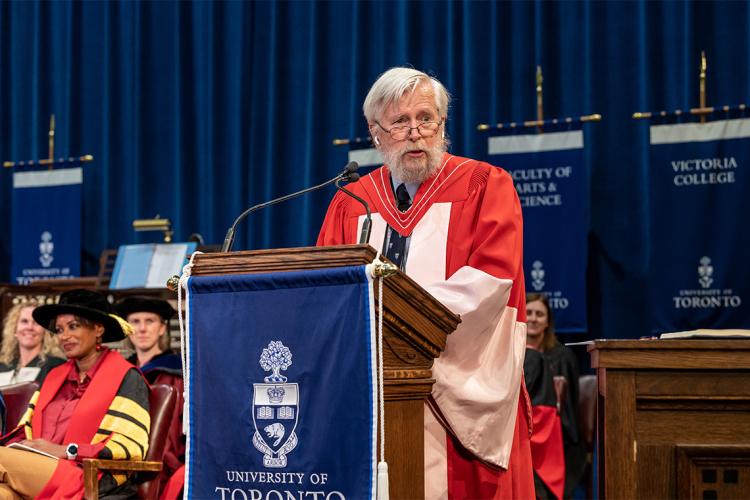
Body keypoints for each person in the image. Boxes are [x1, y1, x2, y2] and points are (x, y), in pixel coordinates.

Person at [318, 67, 533, 498]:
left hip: (458, 389)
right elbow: (325, 290)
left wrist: (397, 321)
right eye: (400, 122)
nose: (415, 132)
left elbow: (491, 281)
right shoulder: (349, 201)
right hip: (372, 394)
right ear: (376, 134)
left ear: (442, 125)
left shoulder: (484, 185)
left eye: (426, 118)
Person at [0, 289, 150, 499]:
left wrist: (66, 450)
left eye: (73, 326)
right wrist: (22, 446)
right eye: (60, 330)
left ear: (98, 329)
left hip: (87, 478)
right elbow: (26, 429)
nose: (64, 336)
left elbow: (129, 447)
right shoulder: (54, 377)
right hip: (38, 472)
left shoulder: (126, 377)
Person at [115, 295, 184, 494]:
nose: (142, 329)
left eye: (150, 321)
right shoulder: (119, 371)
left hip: (157, 459)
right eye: (135, 322)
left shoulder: (175, 372)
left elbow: (170, 434)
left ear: (162, 328)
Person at [526, 293, 586, 498]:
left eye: (539, 314)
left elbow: (570, 406)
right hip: (524, 431)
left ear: (547, 322)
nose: (533, 318)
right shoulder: (510, 353)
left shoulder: (563, 357)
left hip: (557, 434)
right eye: (528, 313)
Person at [0, 302, 65, 386]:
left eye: (36, 322)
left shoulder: (56, 366)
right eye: (24, 321)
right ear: (14, 329)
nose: (30, 327)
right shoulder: (2, 366)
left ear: (45, 331)